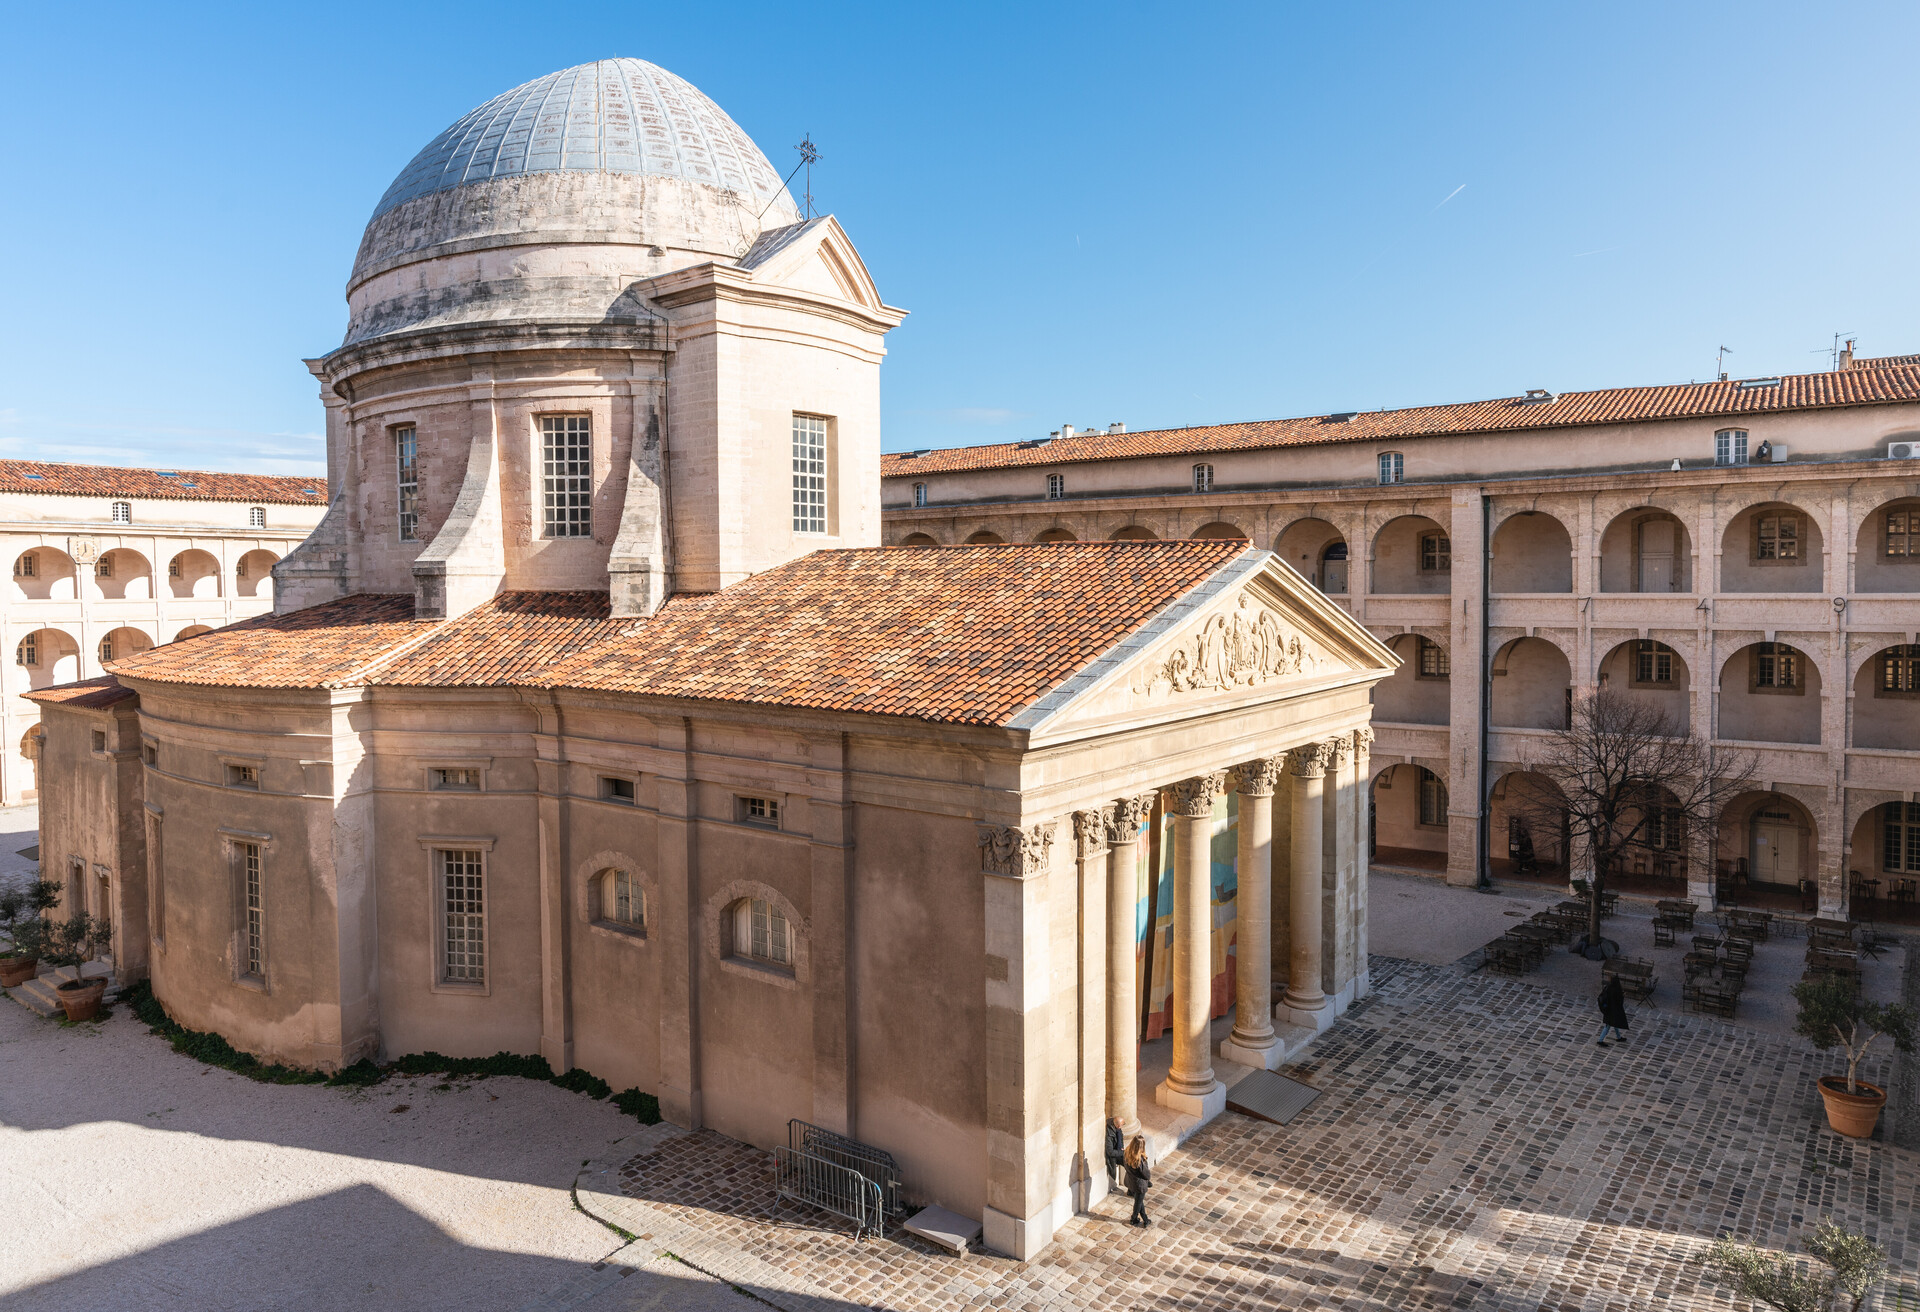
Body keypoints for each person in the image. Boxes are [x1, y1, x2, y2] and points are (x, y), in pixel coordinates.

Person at [1123, 1134, 1152, 1227]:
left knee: (1139, 1201)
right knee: (1138, 1203)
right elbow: (1147, 1175)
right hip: (1139, 1185)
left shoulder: (1127, 1153)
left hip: (1131, 1181)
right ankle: (1133, 1219)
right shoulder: (1139, 1160)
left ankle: (1145, 1219)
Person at [1597, 973, 1630, 1047]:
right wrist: (1623, 996)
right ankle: (1600, 1040)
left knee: (1615, 1023)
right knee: (1608, 1025)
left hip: (1608, 1009)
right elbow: (1619, 1001)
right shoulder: (1616, 990)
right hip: (1612, 1011)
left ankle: (1618, 1037)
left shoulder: (1608, 987)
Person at [1104, 1116, 1125, 1191]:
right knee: (1112, 1171)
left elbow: (1121, 1139)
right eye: (1122, 1124)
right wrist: (1122, 1152)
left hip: (1118, 1151)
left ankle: (1132, 1186)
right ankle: (1112, 1187)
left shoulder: (1118, 1129)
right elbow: (1110, 1152)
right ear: (1118, 1125)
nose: (1122, 1126)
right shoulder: (1109, 1134)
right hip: (1111, 1156)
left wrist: (1121, 1148)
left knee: (1130, 1163)